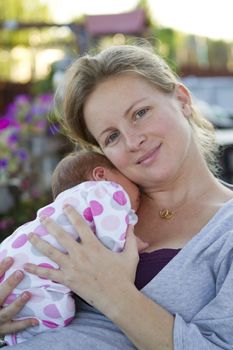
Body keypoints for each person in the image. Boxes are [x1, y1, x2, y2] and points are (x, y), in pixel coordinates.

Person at [0, 43, 233, 349]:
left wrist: (114, 293)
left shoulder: (225, 230)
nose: (133, 140)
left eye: (140, 113)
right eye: (111, 136)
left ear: (182, 100)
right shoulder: (93, 209)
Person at [0, 150, 141, 346]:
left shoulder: (63, 205)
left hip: (10, 254)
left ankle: (13, 337)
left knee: (25, 312)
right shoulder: (108, 190)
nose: (136, 203)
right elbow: (111, 242)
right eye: (137, 191)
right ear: (100, 175)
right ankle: (19, 338)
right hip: (28, 272)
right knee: (60, 315)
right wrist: (131, 237)